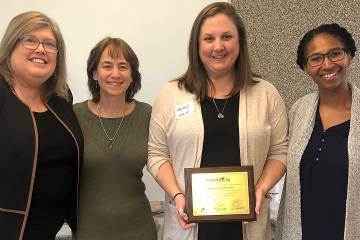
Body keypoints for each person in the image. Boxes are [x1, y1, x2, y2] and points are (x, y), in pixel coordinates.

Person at [147, 2, 288, 240]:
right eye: (209, 38)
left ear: (239, 42)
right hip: (188, 226)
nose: (218, 46)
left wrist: (261, 188)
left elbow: (279, 152)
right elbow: (157, 155)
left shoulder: (266, 93)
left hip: (247, 224)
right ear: (197, 45)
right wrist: (178, 197)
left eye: (227, 37)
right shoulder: (171, 94)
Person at [0, 11, 83, 240]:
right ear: (10, 46)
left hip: (50, 231)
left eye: (49, 44)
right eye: (30, 40)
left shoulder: (63, 98)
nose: (40, 49)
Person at [276, 23, 360, 240]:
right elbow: (279, 155)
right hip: (302, 231)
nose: (327, 64)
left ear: (349, 55)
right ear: (305, 67)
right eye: (316, 58)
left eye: (335, 53)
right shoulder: (298, 110)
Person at [74, 37, 157, 240]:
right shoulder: (74, 115)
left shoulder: (148, 114)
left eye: (123, 66)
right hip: (89, 230)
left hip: (140, 229)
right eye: (107, 66)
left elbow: (164, 160)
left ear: (132, 75)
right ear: (94, 73)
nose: (115, 74)